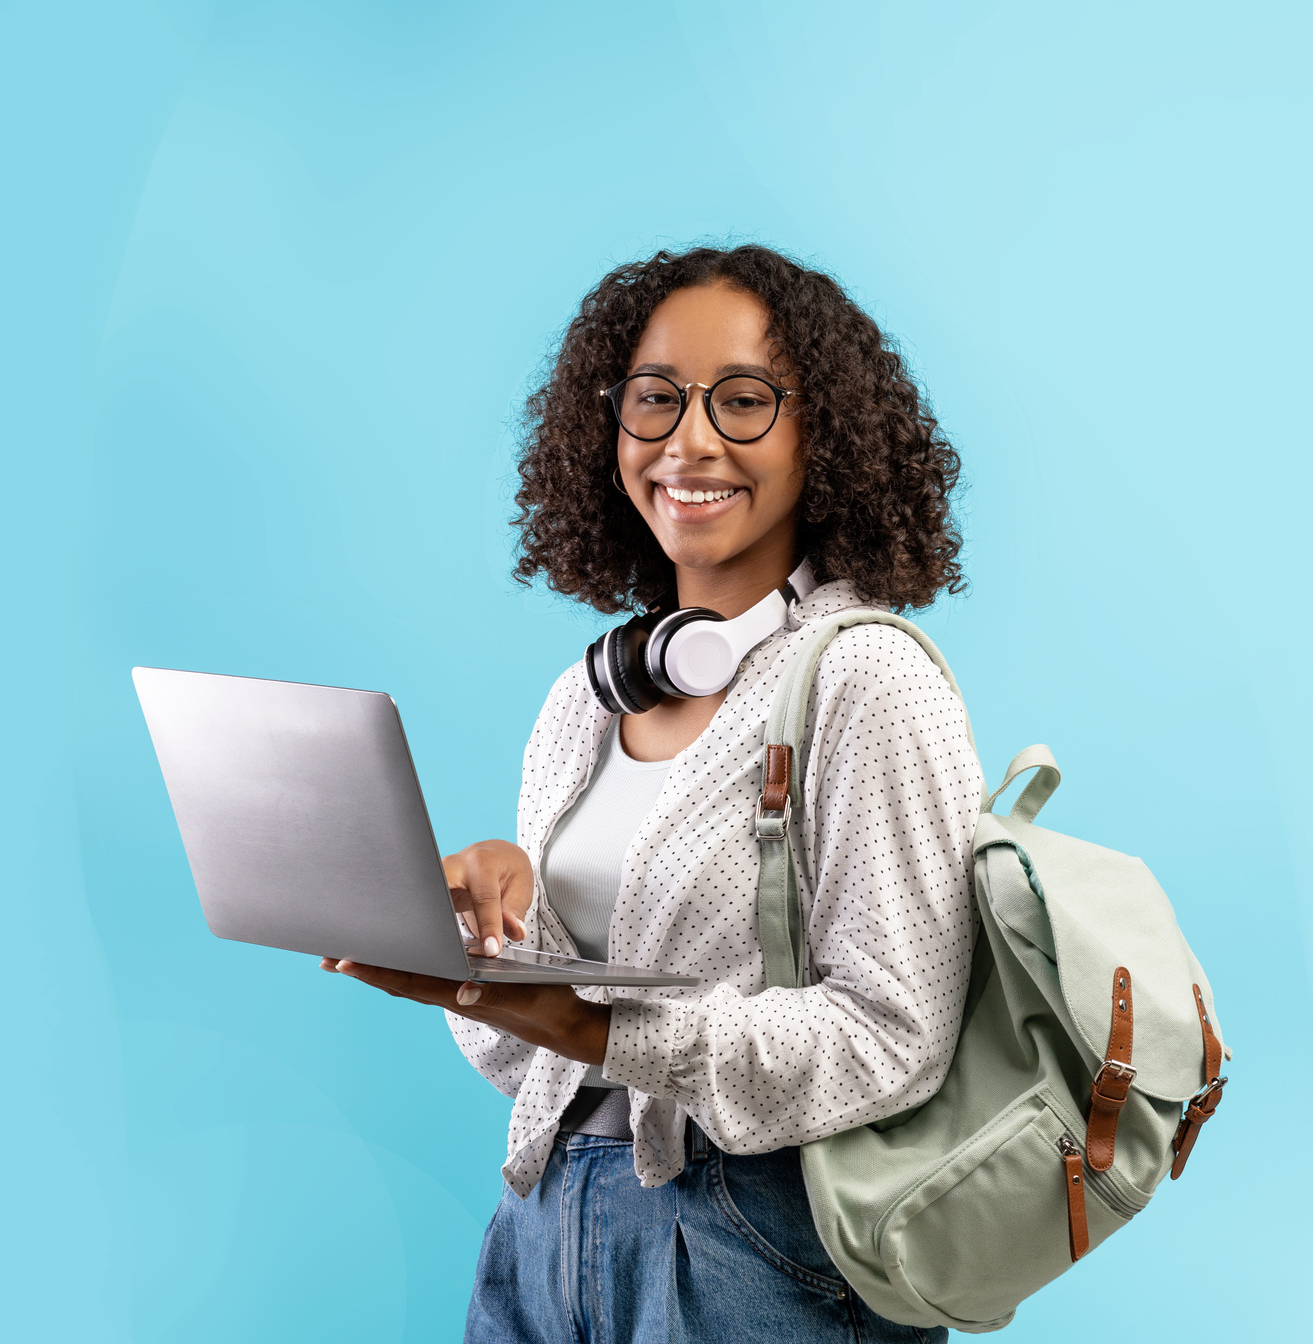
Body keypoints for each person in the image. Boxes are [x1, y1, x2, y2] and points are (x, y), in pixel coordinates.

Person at [322, 244, 982, 1342]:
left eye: (744, 400)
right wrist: (485, 957)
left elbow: (892, 1039)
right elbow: (533, 1059)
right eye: (655, 398)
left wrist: (600, 1024)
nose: (690, 439)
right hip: (542, 1226)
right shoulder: (584, 701)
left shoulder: (869, 680)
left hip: (756, 1243)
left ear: (823, 435)